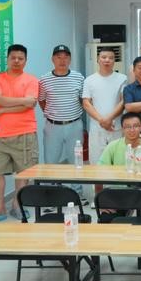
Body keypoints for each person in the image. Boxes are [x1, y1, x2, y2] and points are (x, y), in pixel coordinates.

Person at [0, 44, 39, 221]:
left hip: (25, 132)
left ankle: (17, 204)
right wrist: (23, 101)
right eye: (13, 58)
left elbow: (29, 105)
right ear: (7, 59)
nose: (16, 61)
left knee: (23, 173)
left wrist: (0, 110)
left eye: (20, 58)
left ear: (25, 61)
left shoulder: (31, 80)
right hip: (0, 135)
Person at [38, 45, 85, 201]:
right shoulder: (44, 80)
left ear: (70, 59)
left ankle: (77, 193)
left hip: (75, 125)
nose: (62, 60)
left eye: (65, 57)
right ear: (52, 59)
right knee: (51, 161)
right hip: (52, 126)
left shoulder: (78, 77)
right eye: (58, 57)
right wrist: (51, 114)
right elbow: (42, 100)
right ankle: (52, 195)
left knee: (76, 160)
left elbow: (82, 100)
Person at [82, 47, 127, 197]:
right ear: (98, 59)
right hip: (97, 129)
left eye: (110, 58)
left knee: (118, 163)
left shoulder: (122, 78)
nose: (107, 60)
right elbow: (86, 103)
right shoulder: (89, 80)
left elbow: (123, 102)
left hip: (116, 128)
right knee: (96, 164)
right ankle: (98, 197)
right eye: (103, 57)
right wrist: (102, 120)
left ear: (115, 60)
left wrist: (109, 119)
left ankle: (117, 196)